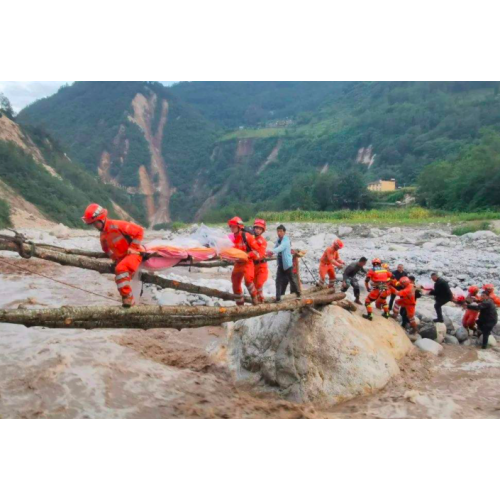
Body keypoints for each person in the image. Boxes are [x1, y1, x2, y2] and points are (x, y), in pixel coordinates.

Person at [82, 203, 144, 308]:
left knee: (120, 269)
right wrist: (114, 258)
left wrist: (133, 247)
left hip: (134, 254)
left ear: (101, 219)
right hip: (122, 258)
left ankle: (128, 298)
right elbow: (105, 249)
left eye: (95, 223)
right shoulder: (103, 235)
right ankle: (130, 303)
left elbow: (139, 231)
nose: (94, 226)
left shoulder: (118, 225)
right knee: (120, 272)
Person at [228, 216, 260, 306]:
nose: (232, 228)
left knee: (248, 280)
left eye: (233, 226)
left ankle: (254, 297)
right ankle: (240, 304)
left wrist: (247, 255)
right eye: (231, 226)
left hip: (247, 262)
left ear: (239, 227)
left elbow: (256, 250)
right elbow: (230, 250)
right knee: (235, 283)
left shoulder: (247, 236)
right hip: (238, 263)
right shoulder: (231, 238)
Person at [267, 224, 300, 301]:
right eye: (278, 231)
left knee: (292, 280)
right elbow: (276, 247)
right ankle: (278, 297)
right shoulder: (278, 241)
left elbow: (280, 248)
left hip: (287, 264)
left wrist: (272, 251)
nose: (279, 233)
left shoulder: (286, 240)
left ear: (284, 232)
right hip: (281, 264)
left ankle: (298, 294)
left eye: (281, 231)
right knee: (278, 280)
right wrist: (270, 253)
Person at [252, 219, 268, 303]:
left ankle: (261, 299)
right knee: (254, 285)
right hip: (253, 266)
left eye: (260, 229)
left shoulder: (263, 242)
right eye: (256, 228)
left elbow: (259, 255)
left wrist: (250, 255)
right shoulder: (250, 238)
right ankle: (258, 301)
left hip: (261, 266)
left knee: (259, 283)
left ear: (262, 230)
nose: (257, 230)